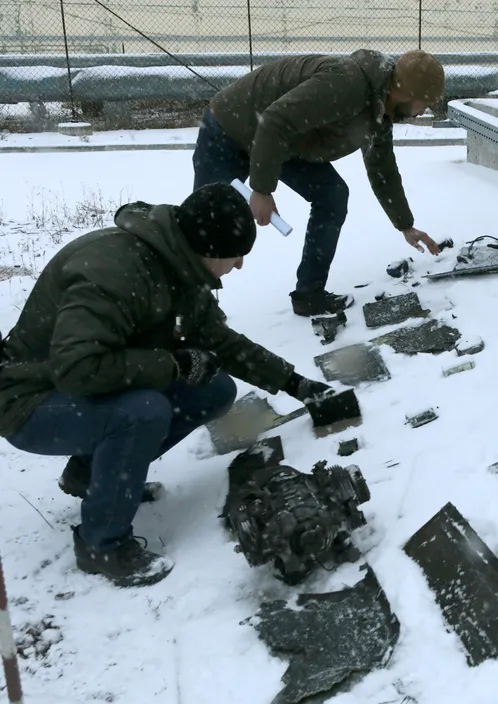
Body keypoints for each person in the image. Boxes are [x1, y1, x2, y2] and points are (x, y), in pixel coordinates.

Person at [0, 183, 336, 588]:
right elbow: (77, 368)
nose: (241, 266)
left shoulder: (180, 265)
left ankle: (91, 474)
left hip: (81, 385)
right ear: (209, 249)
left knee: (214, 390)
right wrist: (172, 364)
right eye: (237, 255)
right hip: (27, 399)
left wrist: (294, 382)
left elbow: (219, 341)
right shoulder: (114, 272)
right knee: (142, 412)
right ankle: (101, 543)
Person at [192, 49, 446, 317]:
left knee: (332, 195)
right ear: (407, 93)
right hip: (231, 129)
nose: (422, 112)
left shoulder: (379, 112)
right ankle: (190, 314)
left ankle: (309, 295)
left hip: (282, 142)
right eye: (424, 103)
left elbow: (383, 169)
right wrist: (262, 189)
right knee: (207, 227)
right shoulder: (347, 84)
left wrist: (405, 224)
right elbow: (274, 120)